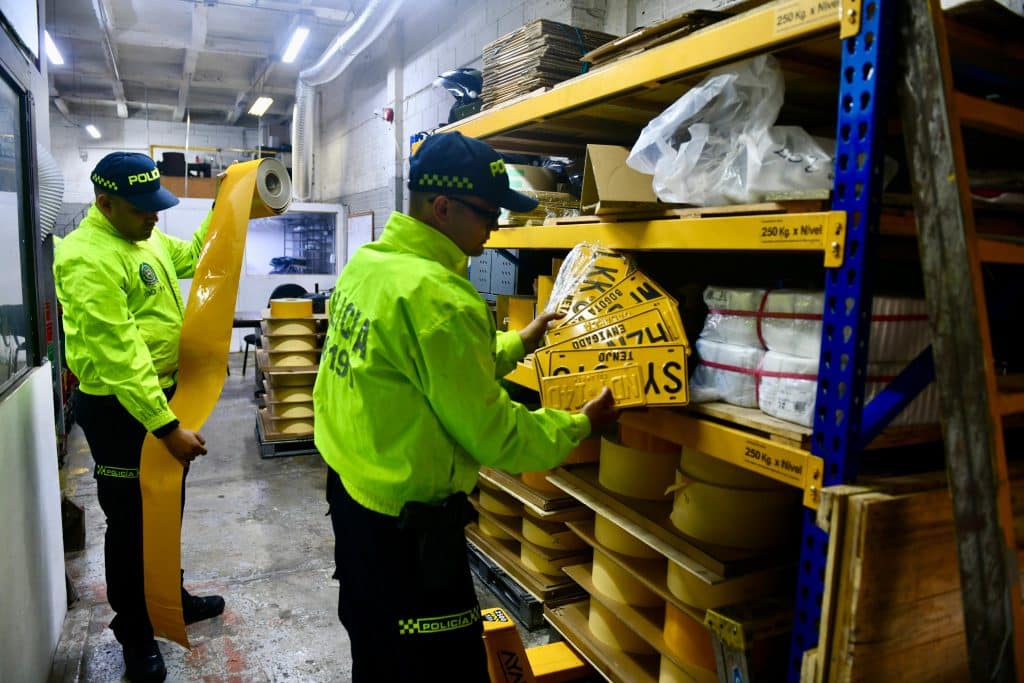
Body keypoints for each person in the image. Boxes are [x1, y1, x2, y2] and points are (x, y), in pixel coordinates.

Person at [313, 131, 620, 681]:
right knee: (442, 665)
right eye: (488, 213)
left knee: (376, 648)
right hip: (409, 537)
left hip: (354, 501)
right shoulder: (441, 297)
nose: (495, 227)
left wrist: (520, 341)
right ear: (443, 207)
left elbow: (431, 366)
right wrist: (579, 424)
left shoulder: (371, 266)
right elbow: (494, 434)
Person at [53, 153, 225, 683]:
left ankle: (167, 598)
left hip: (164, 399)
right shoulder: (87, 259)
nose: (154, 218)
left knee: (165, 509)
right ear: (104, 203)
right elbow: (118, 355)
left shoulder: (143, 236)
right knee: (130, 524)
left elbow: (194, 253)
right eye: (141, 209)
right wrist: (166, 427)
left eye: (156, 208)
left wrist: (231, 208)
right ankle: (136, 632)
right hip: (120, 411)